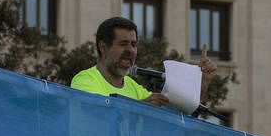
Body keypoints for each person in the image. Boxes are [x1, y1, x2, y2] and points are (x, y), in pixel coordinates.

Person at [70, 17, 217, 107]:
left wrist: (202, 81)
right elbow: (100, 116)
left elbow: (176, 111)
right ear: (103, 47)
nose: (130, 50)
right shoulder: (84, 80)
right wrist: (141, 108)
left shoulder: (133, 87)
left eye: (133, 45)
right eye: (123, 44)